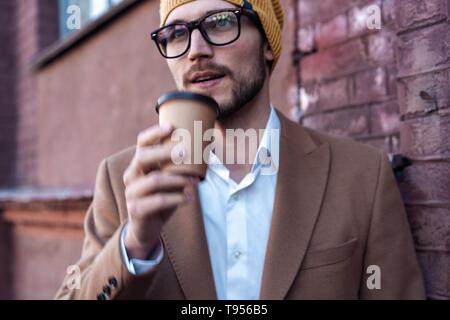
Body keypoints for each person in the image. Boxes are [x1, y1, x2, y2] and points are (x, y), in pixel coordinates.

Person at [55, 0, 425, 300]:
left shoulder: (362, 175)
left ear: (267, 42)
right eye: (175, 33)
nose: (195, 52)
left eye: (219, 23)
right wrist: (134, 243)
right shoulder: (124, 179)